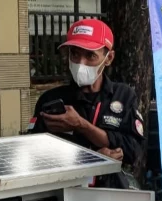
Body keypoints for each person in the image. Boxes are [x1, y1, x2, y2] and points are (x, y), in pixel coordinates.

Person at [29, 19, 145, 189]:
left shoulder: (123, 96)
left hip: (110, 193)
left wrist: (81, 126)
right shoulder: (51, 100)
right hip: (65, 194)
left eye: (90, 56)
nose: (80, 63)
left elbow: (133, 149)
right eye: (75, 54)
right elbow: (34, 153)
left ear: (108, 58)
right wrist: (91, 159)